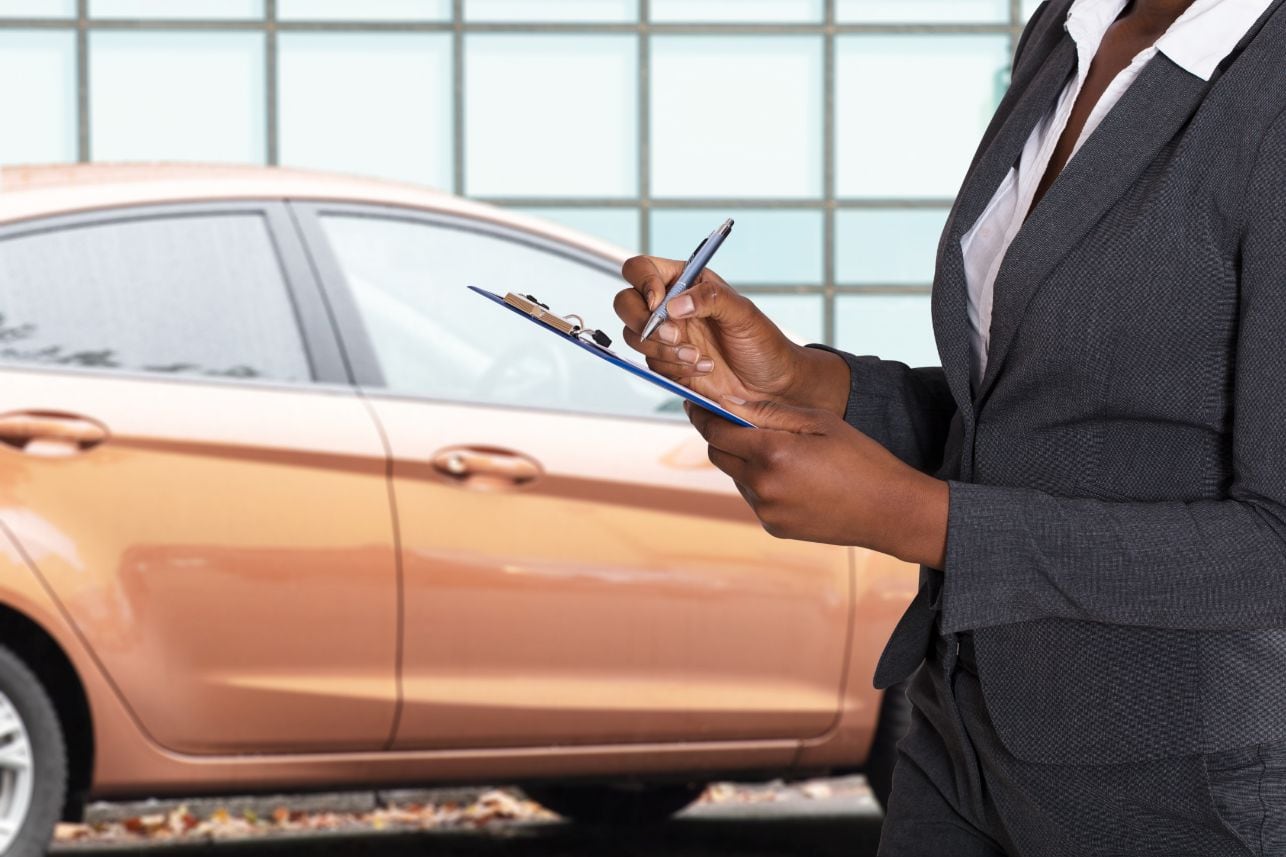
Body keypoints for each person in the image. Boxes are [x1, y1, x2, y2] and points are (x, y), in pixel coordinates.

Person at [614, 0, 1286, 854]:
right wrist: (807, 382)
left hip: (1186, 781)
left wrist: (915, 518)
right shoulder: (1068, 29)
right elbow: (1039, 412)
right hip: (961, 739)